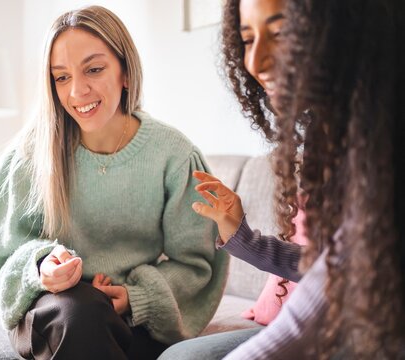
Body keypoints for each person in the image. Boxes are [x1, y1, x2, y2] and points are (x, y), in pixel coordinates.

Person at [0, 5, 228, 360]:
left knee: (96, 318)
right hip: (56, 311)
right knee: (82, 311)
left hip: (131, 320)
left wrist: (136, 298)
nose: (77, 92)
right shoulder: (27, 155)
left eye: (93, 69)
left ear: (125, 71)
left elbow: (199, 265)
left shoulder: (174, 155)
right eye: (61, 77)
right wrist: (40, 267)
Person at [161, 0, 404, 358]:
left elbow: (329, 292)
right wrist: (243, 238)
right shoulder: (341, 137)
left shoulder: (383, 146)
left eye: (281, 33)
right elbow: (328, 265)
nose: (256, 62)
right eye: (248, 39)